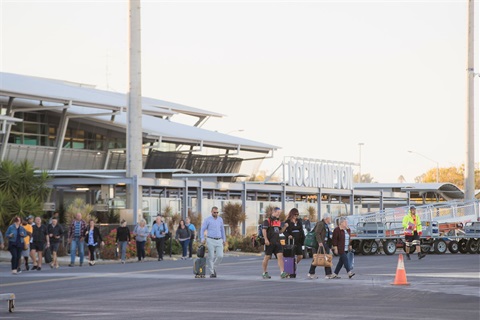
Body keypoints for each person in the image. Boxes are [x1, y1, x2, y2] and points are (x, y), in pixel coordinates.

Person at [261, 207, 289, 279]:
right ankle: (264, 272)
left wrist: (285, 227)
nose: (279, 214)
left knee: (280, 256)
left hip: (277, 242)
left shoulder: (278, 221)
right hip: (270, 242)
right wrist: (266, 239)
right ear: (274, 212)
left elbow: (280, 231)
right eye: (278, 212)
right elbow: (264, 230)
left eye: (279, 213)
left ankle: (282, 272)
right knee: (267, 257)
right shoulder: (267, 221)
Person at [200, 206, 226, 278]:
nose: (216, 214)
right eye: (215, 212)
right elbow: (202, 229)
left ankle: (213, 267)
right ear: (211, 212)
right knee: (211, 256)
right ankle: (212, 272)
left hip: (219, 239)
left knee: (220, 256)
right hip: (210, 239)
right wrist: (202, 238)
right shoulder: (207, 220)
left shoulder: (220, 219)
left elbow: (222, 230)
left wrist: (224, 239)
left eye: (217, 212)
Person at [307, 213, 333, 279]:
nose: (330, 219)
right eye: (329, 218)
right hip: (321, 244)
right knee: (318, 258)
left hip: (326, 243)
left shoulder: (326, 225)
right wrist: (320, 242)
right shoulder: (320, 224)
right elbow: (317, 233)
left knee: (326, 257)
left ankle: (328, 273)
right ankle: (311, 273)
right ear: (326, 218)